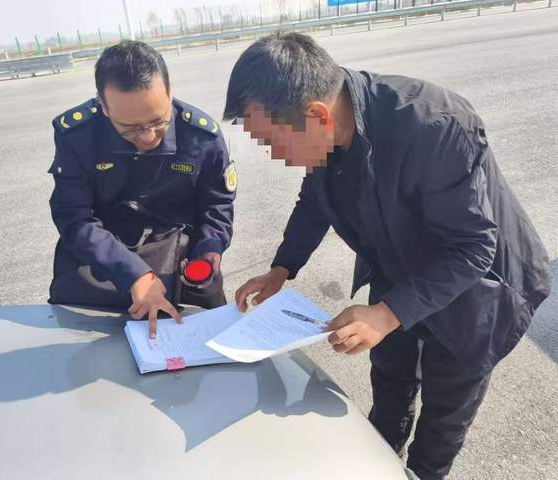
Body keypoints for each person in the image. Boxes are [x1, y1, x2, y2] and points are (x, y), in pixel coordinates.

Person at [224, 32, 550, 480]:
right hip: (398, 266)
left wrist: (387, 313)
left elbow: (474, 247)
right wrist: (282, 268)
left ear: (317, 115)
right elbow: (315, 199)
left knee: (443, 417)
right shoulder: (325, 134)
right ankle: (381, 464)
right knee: (390, 385)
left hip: (477, 286)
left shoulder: (434, 125)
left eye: (273, 143)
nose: (275, 155)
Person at [48, 41, 236, 338]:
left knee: (212, 338)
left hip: (179, 251)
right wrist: (133, 273)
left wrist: (208, 251)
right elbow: (74, 218)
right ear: (103, 105)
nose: (148, 137)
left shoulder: (200, 135)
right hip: (103, 252)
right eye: (130, 128)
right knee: (80, 335)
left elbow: (218, 203)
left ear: (169, 91)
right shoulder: (78, 136)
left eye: (158, 122)